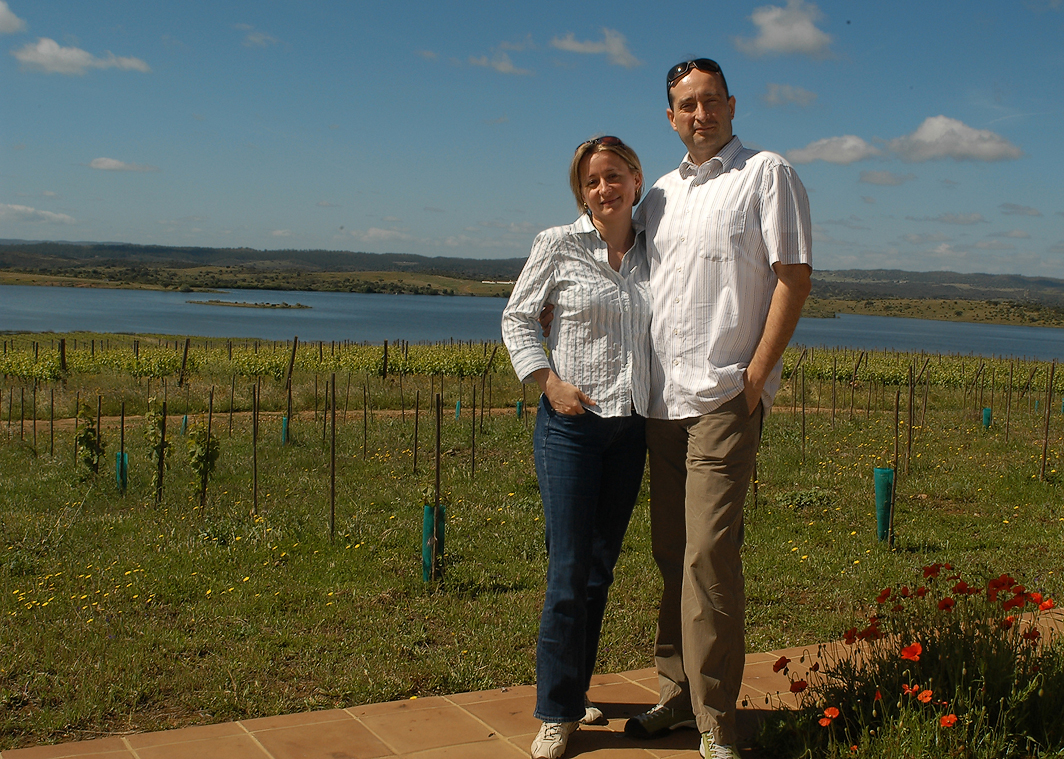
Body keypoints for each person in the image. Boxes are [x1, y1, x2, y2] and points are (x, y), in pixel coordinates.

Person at [623, 59, 813, 759]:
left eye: (710, 101)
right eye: (686, 105)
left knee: (708, 554)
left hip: (724, 395)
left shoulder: (766, 174)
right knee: (672, 552)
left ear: (731, 104)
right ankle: (677, 692)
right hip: (661, 399)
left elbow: (794, 276)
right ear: (670, 116)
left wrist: (756, 377)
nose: (699, 114)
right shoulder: (659, 193)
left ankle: (716, 718)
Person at [501, 136, 652, 759]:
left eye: (614, 176)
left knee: (598, 568)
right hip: (571, 426)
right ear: (581, 193)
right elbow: (517, 316)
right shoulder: (557, 244)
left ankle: (575, 688)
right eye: (592, 181)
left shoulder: (657, 248)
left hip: (631, 427)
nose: (604, 188)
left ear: (636, 179)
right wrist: (549, 382)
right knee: (567, 569)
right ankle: (557, 712)